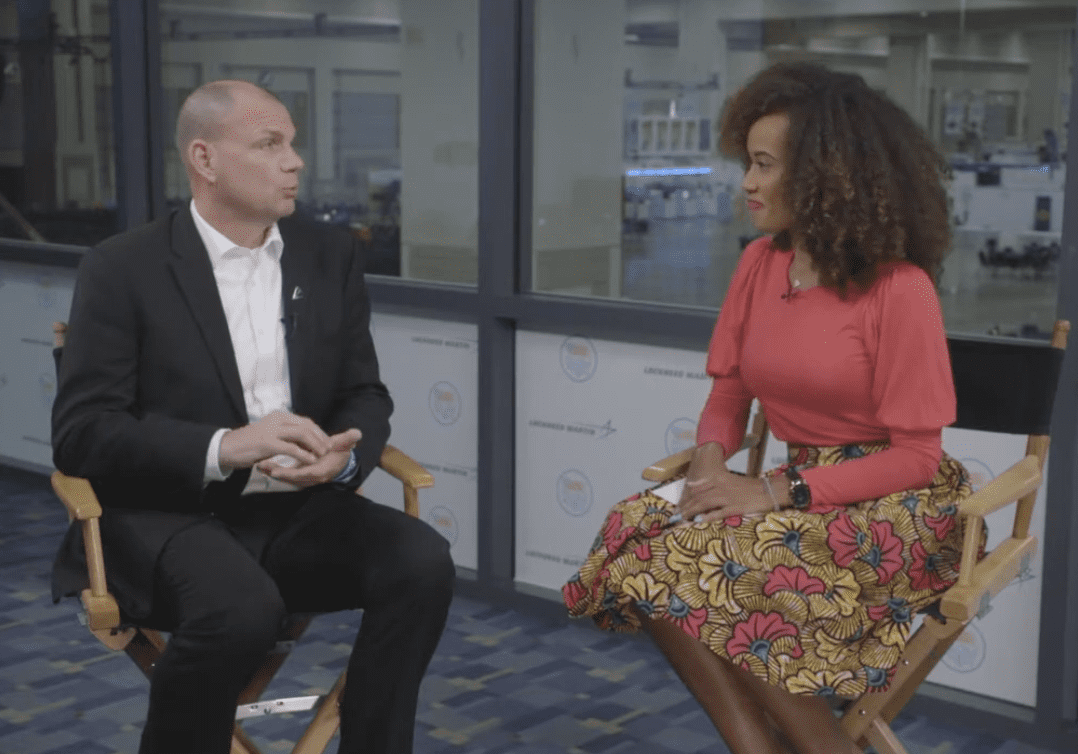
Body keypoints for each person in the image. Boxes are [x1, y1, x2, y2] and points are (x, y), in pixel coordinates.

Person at [562, 62, 970, 754]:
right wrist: (710, 472)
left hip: (893, 505)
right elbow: (728, 394)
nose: (746, 183)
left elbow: (916, 456)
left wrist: (771, 490)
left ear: (824, 174)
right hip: (796, 493)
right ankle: (758, 746)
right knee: (637, 535)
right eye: (746, 163)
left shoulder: (898, 290)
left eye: (763, 165)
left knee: (722, 571)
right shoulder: (758, 265)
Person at [51, 79, 455, 754]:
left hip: (297, 508)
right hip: (168, 512)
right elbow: (83, 434)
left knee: (422, 563)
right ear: (204, 160)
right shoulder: (122, 268)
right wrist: (225, 446)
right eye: (270, 145)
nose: (294, 161)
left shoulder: (330, 257)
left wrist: (346, 457)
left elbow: (365, 393)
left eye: (292, 144)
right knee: (241, 610)